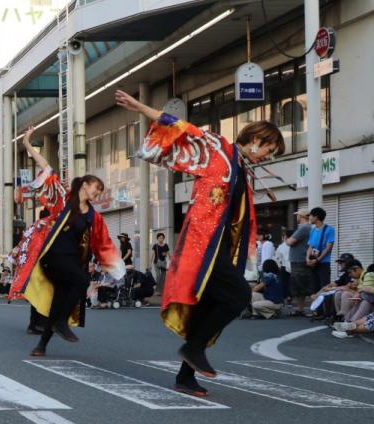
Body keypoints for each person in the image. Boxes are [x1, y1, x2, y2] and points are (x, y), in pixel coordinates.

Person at [117, 89, 284, 396]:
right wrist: (140, 107)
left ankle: (186, 373)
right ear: (257, 139)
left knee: (208, 306)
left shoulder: (239, 166)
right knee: (237, 296)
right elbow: (182, 128)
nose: (268, 156)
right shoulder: (218, 148)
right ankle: (193, 350)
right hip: (202, 244)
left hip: (217, 246)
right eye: (270, 148)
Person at [14, 126, 122, 357]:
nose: (98, 193)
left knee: (59, 300)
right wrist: (26, 144)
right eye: (97, 188)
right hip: (52, 258)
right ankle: (60, 323)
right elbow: (46, 167)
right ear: (85, 184)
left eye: (101, 191)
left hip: (72, 262)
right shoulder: (63, 197)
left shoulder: (94, 216)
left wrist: (115, 267)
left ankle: (42, 344)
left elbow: (103, 243)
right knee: (82, 281)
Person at [11, 209, 52, 334]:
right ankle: (40, 325)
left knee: (35, 297)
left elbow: (21, 245)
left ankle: (33, 325)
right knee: (44, 296)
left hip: (30, 268)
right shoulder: (47, 227)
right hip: (42, 267)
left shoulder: (31, 229)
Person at [286, 211, 313, 316]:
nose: (296, 217)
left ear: (301, 216)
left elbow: (290, 242)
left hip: (299, 260)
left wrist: (287, 240)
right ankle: (301, 309)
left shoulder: (304, 228)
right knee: (302, 285)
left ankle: (307, 309)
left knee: (301, 285)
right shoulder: (308, 228)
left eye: (297, 215)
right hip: (301, 259)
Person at [306, 207, 336, 293]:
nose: (309, 218)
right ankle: (316, 306)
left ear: (316, 217)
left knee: (324, 288)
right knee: (313, 289)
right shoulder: (313, 230)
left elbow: (328, 248)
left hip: (323, 264)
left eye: (311, 215)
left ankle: (325, 306)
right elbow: (310, 247)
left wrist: (318, 260)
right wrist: (307, 258)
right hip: (313, 264)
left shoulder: (329, 229)